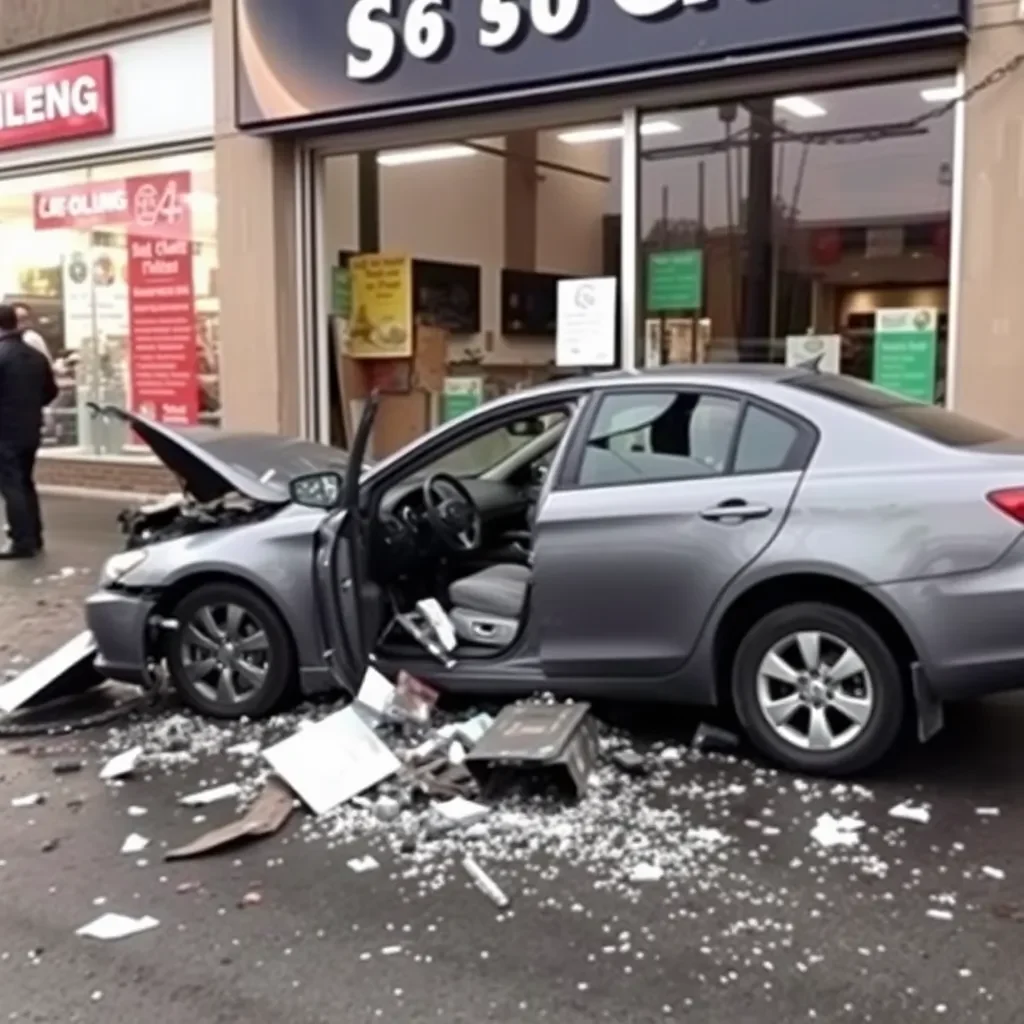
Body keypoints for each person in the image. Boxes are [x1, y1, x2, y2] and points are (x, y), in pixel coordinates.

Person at [0, 304, 57, 558]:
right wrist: (31, 407)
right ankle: (34, 535)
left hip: (4, 431)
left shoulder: (1, 354)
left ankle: (21, 541)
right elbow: (51, 391)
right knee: (25, 482)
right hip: (30, 429)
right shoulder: (36, 356)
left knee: (11, 485)